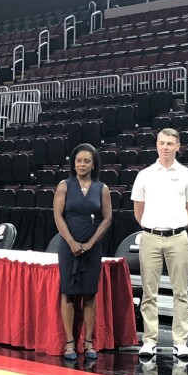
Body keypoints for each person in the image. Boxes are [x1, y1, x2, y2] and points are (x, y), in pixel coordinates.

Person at [131, 128, 188, 362]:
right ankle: (149, 340)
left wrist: (175, 226)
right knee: (149, 293)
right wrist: (153, 227)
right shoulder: (145, 175)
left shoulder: (187, 175)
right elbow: (138, 210)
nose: (166, 147)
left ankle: (180, 342)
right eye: (162, 143)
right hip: (150, 237)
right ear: (156, 145)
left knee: (181, 292)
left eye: (170, 143)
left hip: (178, 237)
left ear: (178, 146)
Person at [53, 143, 112, 361]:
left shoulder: (102, 188)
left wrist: (90, 244)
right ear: (73, 163)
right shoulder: (64, 185)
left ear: (93, 164)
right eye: (79, 160)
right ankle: (69, 342)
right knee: (68, 292)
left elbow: (107, 218)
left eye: (86, 161)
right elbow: (58, 216)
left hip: (92, 248)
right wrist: (71, 242)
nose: (82, 164)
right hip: (68, 247)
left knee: (89, 294)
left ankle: (88, 342)